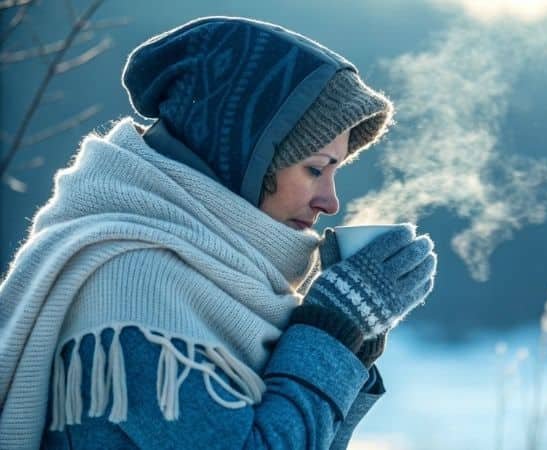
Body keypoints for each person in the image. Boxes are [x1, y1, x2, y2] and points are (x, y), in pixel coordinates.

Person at [0, 16, 437, 450]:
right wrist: (330, 331)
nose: (330, 201)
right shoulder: (135, 290)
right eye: (316, 169)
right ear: (244, 157)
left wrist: (350, 342)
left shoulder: (214, 283)